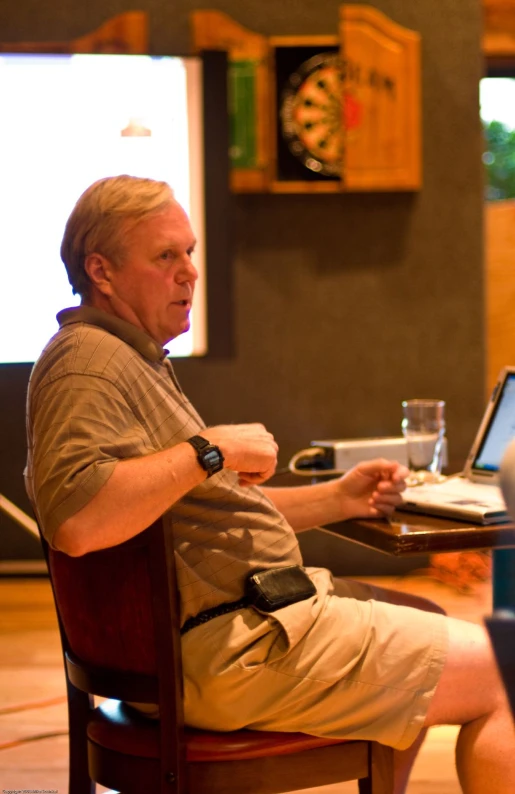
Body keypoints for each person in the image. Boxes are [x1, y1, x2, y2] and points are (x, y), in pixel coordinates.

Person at [25, 175, 515, 794]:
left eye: (191, 253)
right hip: (238, 648)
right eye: (165, 256)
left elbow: (203, 512)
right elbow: (77, 521)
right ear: (103, 271)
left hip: (232, 634)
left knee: (418, 612)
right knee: (505, 670)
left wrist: (338, 498)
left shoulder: (124, 357)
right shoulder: (88, 364)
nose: (189, 272)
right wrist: (210, 449)